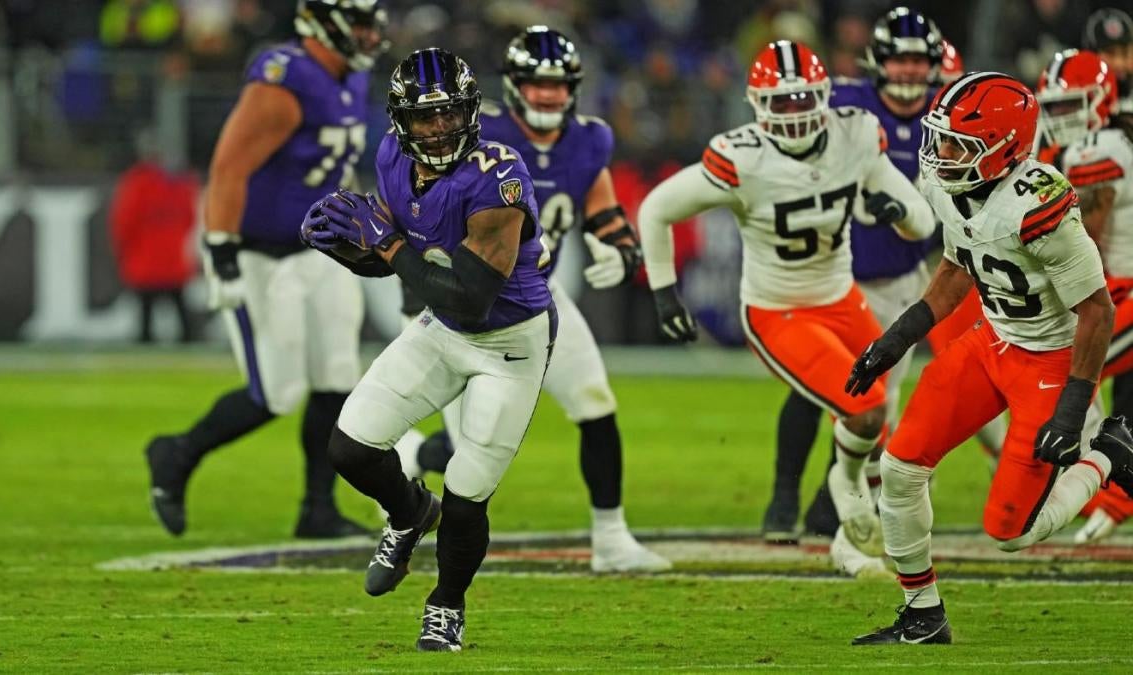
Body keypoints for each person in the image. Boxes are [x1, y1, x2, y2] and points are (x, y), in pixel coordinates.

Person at [848, 71, 1133, 645]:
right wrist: (896, 338)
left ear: (1004, 148)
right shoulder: (949, 185)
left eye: (958, 144)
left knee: (1011, 531)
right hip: (991, 342)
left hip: (1050, 361)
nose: (941, 154)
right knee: (900, 469)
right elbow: (958, 267)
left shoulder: (1039, 205)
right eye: (941, 138)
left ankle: (1111, 453)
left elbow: (1098, 311)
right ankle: (923, 614)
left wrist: (1073, 408)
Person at [637, 40, 936, 574]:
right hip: (778, 310)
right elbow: (657, 208)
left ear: (824, 96)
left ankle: (847, 537)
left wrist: (898, 213)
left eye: (803, 99)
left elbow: (922, 221)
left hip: (842, 299)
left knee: (881, 430)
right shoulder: (742, 156)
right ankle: (845, 494)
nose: (795, 112)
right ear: (757, 105)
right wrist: (664, 292)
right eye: (782, 102)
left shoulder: (855, 134)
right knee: (865, 412)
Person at [300, 48, 555, 652]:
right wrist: (348, 248)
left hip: (508, 343)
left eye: (449, 114)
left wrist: (384, 244)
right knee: (350, 447)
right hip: (441, 327)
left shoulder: (498, 175)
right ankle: (411, 510)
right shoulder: (393, 156)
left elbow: (471, 298)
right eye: (425, 116)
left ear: (471, 112)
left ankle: (446, 605)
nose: (439, 128)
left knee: (467, 494)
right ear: (401, 121)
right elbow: (402, 262)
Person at [398, 26, 669, 573]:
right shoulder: (477, 132)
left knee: (595, 403)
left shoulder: (588, 140)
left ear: (574, 88)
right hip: (465, 304)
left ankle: (611, 537)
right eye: (535, 83)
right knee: (472, 446)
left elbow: (602, 208)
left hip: (537, 295)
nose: (547, 94)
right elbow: (419, 205)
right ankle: (414, 457)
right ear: (514, 85)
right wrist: (418, 289)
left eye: (558, 84)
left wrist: (622, 249)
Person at [144, 0, 387, 539]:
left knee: (337, 378)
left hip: (320, 249)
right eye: (360, 22)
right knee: (276, 393)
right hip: (260, 251)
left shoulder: (350, 77)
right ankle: (176, 454)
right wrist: (222, 250)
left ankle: (317, 509)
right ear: (324, 21)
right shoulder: (287, 78)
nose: (370, 34)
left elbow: (333, 167)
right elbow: (229, 168)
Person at [761, 8, 954, 544]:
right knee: (811, 389)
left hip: (901, 280)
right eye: (899, 58)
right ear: (878, 61)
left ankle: (829, 508)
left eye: (918, 60)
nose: (909, 70)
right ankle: (782, 497)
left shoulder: (947, 115)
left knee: (874, 402)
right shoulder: (845, 105)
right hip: (836, 276)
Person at [1046, 49, 1133, 543]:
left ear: (1099, 100)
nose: (1060, 118)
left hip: (1125, 289)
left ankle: (1103, 479)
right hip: (1120, 285)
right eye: (1054, 107)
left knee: (1068, 369)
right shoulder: (1119, 135)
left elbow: (1087, 243)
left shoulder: (1094, 151)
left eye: (1069, 106)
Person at [109, 128, 199, 343]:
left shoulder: (136, 182)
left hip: (145, 260)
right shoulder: (181, 182)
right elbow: (190, 218)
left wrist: (122, 251)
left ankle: (147, 346)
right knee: (180, 312)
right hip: (172, 259)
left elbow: (123, 222)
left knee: (146, 316)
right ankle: (188, 343)